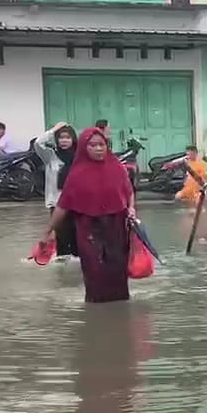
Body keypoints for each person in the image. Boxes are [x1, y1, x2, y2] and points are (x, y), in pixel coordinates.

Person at [43, 127, 135, 303]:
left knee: (117, 269)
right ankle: (95, 305)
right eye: (93, 145)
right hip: (88, 228)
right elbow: (63, 206)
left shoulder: (117, 167)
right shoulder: (76, 175)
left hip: (116, 227)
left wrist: (131, 209)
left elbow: (128, 191)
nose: (98, 149)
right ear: (84, 148)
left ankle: (120, 305)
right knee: (94, 269)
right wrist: (48, 231)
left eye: (102, 145)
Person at [35, 121, 79, 257]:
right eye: (61, 137)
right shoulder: (50, 156)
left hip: (77, 202)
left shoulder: (79, 157)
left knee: (78, 235)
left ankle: (77, 263)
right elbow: (38, 143)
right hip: (57, 202)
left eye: (67, 137)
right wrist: (54, 129)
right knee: (61, 235)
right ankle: (63, 262)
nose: (64, 141)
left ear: (73, 139)